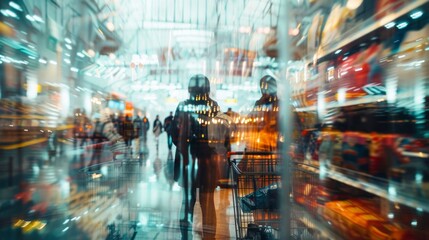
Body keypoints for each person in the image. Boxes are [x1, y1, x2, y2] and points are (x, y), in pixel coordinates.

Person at [172, 74, 228, 240]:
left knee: (187, 202)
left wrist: (186, 147)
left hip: (188, 161)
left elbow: (175, 133)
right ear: (207, 88)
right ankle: (209, 237)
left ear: (190, 89)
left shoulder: (183, 106)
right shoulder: (214, 107)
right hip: (208, 163)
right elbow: (221, 134)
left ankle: (185, 237)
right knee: (208, 203)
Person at [246, 75, 281, 152]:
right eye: (262, 88)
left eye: (266, 87)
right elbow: (250, 122)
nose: (264, 90)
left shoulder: (280, 105)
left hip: (275, 147)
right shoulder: (259, 104)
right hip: (261, 146)